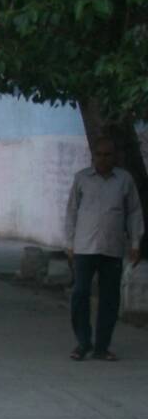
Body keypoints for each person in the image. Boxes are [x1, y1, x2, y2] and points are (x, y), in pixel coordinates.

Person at [65, 132, 144, 361]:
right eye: (98, 155)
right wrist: (69, 243)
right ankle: (82, 343)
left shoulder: (124, 180)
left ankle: (102, 346)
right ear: (93, 156)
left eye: (107, 155)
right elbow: (71, 212)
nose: (102, 159)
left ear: (115, 157)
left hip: (112, 247)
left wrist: (136, 242)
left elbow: (134, 212)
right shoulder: (82, 179)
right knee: (80, 294)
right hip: (84, 247)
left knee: (110, 299)